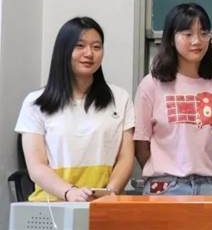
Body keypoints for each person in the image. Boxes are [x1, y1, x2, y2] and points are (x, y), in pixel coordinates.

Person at [15, 17, 135, 202]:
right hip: (52, 206)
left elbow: (126, 157)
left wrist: (109, 192)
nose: (89, 53)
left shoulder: (120, 98)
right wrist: (69, 192)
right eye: (80, 46)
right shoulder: (36, 102)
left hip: (105, 204)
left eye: (96, 47)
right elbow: (36, 166)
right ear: (64, 50)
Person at [134, 2, 212, 195]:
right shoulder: (151, 85)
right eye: (188, 34)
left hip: (210, 186)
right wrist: (165, 172)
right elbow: (141, 144)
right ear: (171, 38)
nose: (197, 41)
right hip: (164, 186)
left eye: (203, 33)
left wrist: (209, 172)